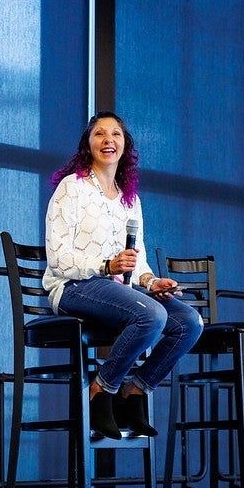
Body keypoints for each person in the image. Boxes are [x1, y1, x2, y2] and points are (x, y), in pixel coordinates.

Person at [43, 110, 203, 439]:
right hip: (74, 287)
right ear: (87, 145)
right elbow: (58, 258)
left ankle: (136, 390)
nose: (108, 140)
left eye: (115, 134)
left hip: (118, 291)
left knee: (189, 323)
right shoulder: (70, 189)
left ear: (125, 145)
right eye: (99, 134)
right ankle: (101, 389)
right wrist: (106, 266)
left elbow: (137, 258)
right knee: (152, 315)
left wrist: (150, 281)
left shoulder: (130, 200)